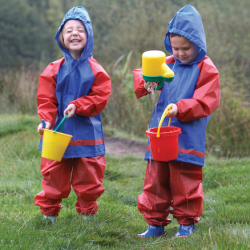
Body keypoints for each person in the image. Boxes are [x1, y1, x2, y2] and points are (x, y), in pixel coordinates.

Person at [133, 5, 220, 238]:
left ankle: (186, 223)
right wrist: (147, 83)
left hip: (187, 135)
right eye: (175, 47)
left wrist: (180, 107)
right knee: (155, 179)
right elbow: (143, 78)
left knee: (185, 179)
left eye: (186, 48)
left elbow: (206, 101)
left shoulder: (206, 68)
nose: (180, 53)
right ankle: (155, 223)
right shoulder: (167, 63)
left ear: (198, 43)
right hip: (160, 133)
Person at [34, 6, 111, 222]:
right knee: (52, 173)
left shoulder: (97, 70)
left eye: (80, 29)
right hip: (57, 133)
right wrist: (46, 122)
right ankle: (48, 213)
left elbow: (100, 97)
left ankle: (87, 213)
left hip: (88, 134)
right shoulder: (53, 69)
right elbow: (46, 100)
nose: (74, 33)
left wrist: (79, 105)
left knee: (89, 175)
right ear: (61, 37)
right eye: (68, 30)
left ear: (89, 36)